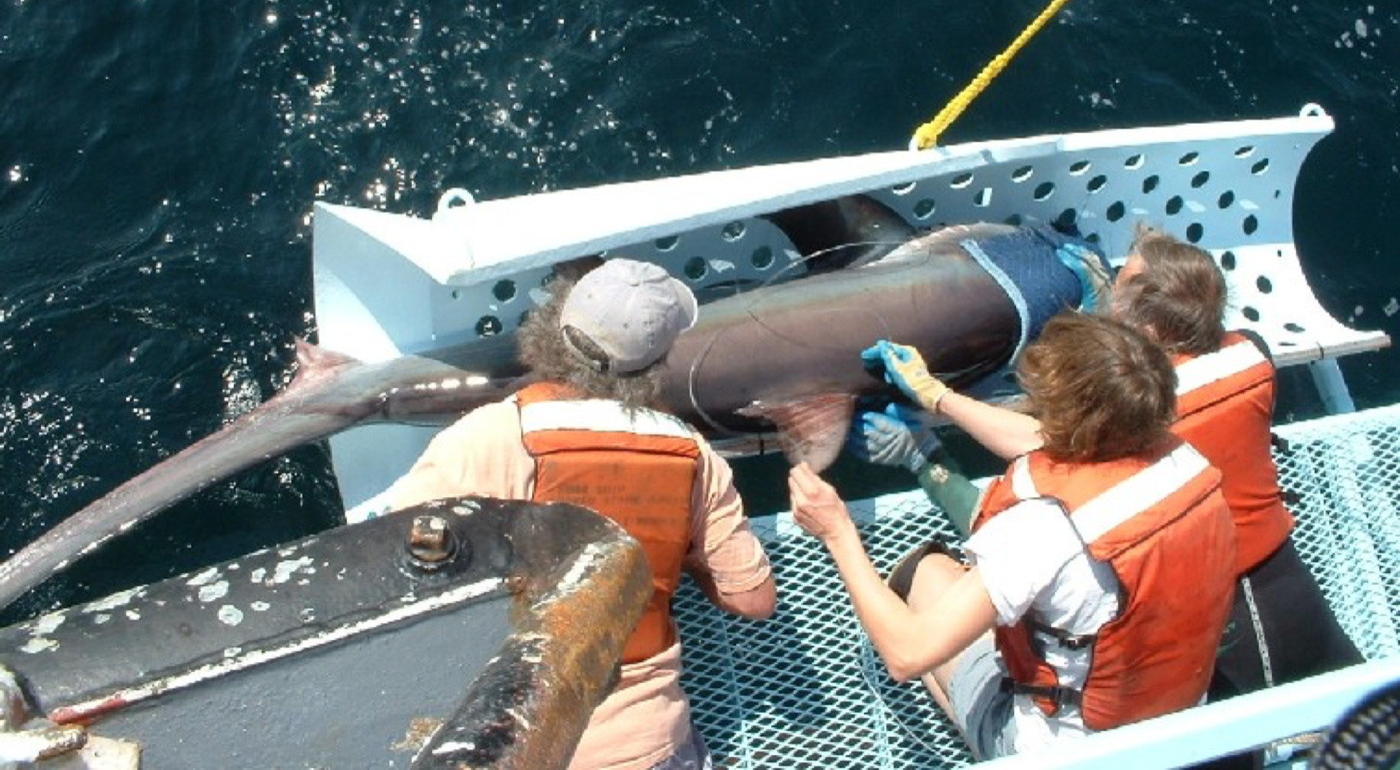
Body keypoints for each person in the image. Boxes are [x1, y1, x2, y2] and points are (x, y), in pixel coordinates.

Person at [857, 226, 1363, 696]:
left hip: (1218, 629)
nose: (1109, 300)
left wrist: (933, 419)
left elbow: (1035, 444)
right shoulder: (1252, 354)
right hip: (1292, 592)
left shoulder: (1126, 441)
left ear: (1146, 326)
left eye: (1118, 290)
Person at [792, 312, 1237, 760]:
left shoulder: (1043, 530)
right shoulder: (1187, 463)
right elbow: (1042, 442)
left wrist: (837, 531)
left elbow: (906, 654)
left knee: (921, 574)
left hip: (1062, 755)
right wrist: (937, 396)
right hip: (1173, 724)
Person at [391, 258, 776, 770]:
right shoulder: (691, 454)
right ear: (656, 367)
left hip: (513, 743)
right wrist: (681, 553)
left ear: (552, 324)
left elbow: (397, 573)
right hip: (647, 745)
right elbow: (754, 599)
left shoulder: (484, 437)